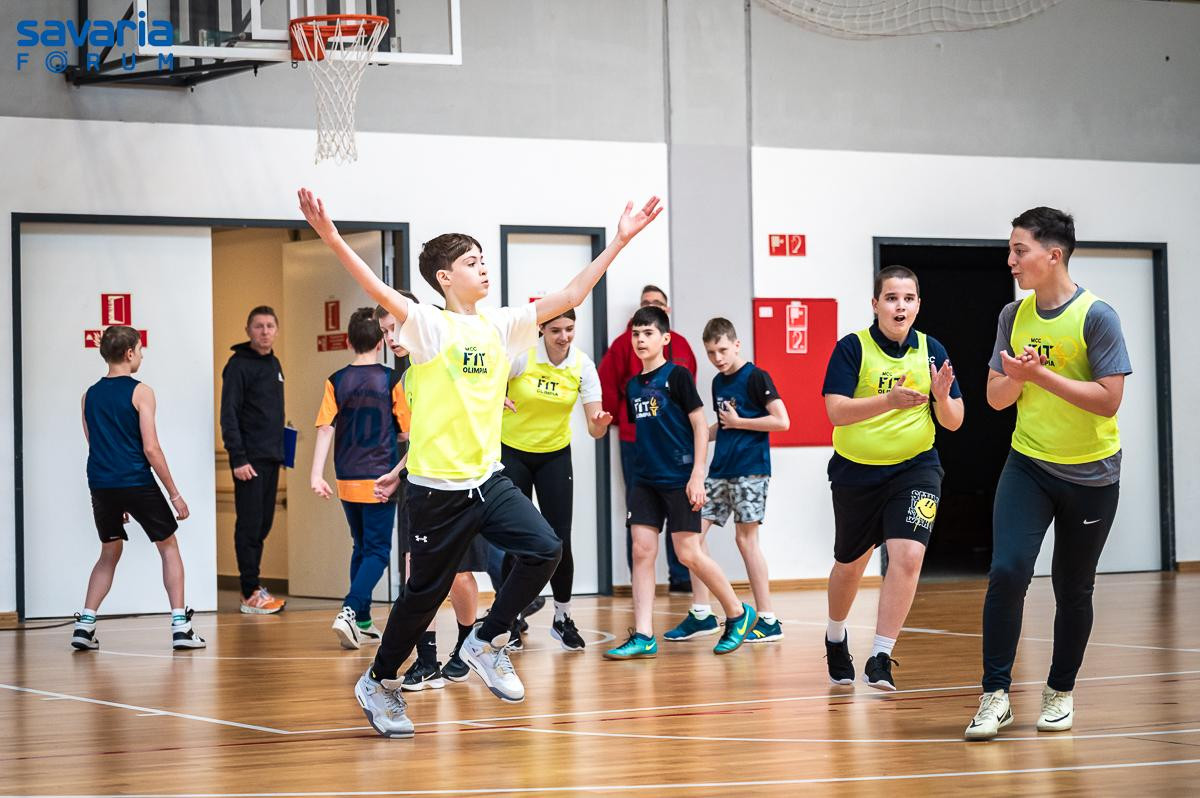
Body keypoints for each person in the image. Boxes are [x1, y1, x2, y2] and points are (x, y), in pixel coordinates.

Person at [298, 187, 662, 738]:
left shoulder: (502, 325)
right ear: (445, 278)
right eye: (472, 262)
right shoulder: (429, 326)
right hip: (436, 491)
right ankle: (378, 681)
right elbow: (375, 288)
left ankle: (487, 641)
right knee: (422, 597)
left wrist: (620, 241)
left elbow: (571, 294)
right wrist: (330, 237)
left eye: (483, 259)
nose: (484, 267)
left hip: (487, 480)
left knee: (545, 547)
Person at [965, 208, 1129, 741]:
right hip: (1029, 464)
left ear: (1053, 255)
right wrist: (1018, 378)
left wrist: (1040, 376)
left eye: (1020, 250)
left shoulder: (1097, 316)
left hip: (1092, 475)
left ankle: (1060, 691)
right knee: (1008, 571)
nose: (1011, 261)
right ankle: (995, 696)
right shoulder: (1012, 316)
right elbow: (996, 398)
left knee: (1073, 588)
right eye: (1011, 251)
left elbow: (1108, 400)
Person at [821, 266, 963, 691]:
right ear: (876, 304)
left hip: (915, 468)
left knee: (909, 555)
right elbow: (836, 411)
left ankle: (881, 655)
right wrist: (888, 400)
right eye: (891, 298)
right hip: (856, 472)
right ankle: (835, 637)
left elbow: (954, 421)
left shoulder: (932, 350)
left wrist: (942, 398)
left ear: (918, 305)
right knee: (851, 564)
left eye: (908, 299)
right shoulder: (852, 348)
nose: (900, 306)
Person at [604, 305, 756, 660]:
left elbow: (700, 426)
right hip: (644, 480)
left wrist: (698, 474)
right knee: (642, 551)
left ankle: (738, 612)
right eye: (636, 334)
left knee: (688, 552)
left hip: (679, 478)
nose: (641, 340)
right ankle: (644, 635)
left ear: (665, 339)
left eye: (648, 333)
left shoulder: (678, 376)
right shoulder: (633, 386)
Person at [374, 298, 489, 690]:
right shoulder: (407, 379)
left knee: (459, 574)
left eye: (395, 327)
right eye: (385, 332)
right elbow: (421, 437)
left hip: (462, 483)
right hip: (421, 486)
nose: (391, 338)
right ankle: (426, 662)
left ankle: (467, 647)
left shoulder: (450, 359)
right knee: (416, 574)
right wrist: (397, 474)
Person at [72, 326, 204, 652]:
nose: (142, 356)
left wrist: (117, 498)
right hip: (136, 481)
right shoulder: (141, 392)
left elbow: (94, 443)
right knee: (168, 547)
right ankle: (181, 627)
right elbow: (151, 449)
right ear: (130, 353)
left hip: (102, 484)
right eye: (140, 350)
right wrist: (175, 494)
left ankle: (85, 625)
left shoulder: (89, 395)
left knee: (109, 551)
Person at [663, 317, 790, 644]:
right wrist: (698, 435)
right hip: (720, 470)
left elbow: (781, 421)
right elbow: (724, 425)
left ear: (736, 344)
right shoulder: (719, 382)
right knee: (693, 537)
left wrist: (740, 422)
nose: (717, 358)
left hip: (750, 470)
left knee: (746, 541)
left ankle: (768, 619)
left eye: (722, 350)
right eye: (710, 352)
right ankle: (701, 613)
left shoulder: (756, 376)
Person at [499, 308, 613, 652]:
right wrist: (496, 397)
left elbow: (594, 428)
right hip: (513, 453)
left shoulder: (582, 365)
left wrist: (600, 424)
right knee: (516, 541)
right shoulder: (522, 356)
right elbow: (488, 388)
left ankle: (562, 619)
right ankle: (509, 619)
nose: (564, 337)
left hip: (554, 456)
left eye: (569, 329)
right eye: (555, 330)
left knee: (560, 541)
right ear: (542, 330)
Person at [310, 307, 410, 650]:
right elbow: (406, 432)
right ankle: (350, 610)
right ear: (381, 342)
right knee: (378, 551)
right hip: (381, 476)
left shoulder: (336, 380)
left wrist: (315, 474)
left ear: (349, 342)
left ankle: (363, 621)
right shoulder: (391, 380)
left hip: (346, 476)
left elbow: (325, 428)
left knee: (361, 545)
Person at [597, 285, 696, 593]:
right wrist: (619, 419)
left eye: (657, 303)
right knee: (640, 511)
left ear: (667, 311)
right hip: (635, 440)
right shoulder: (622, 345)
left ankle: (681, 578)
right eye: (645, 302)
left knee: (680, 520)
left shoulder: (681, 346)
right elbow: (607, 385)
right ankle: (638, 577)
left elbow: (688, 396)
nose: (641, 339)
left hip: (676, 444)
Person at [220, 306, 287, 614]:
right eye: (258, 326)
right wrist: (238, 458)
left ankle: (254, 586)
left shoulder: (274, 363)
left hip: (271, 457)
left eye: (270, 326)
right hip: (248, 461)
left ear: (276, 330)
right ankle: (249, 591)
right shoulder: (238, 366)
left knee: (263, 524)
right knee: (249, 525)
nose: (264, 331)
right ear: (248, 330)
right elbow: (229, 414)